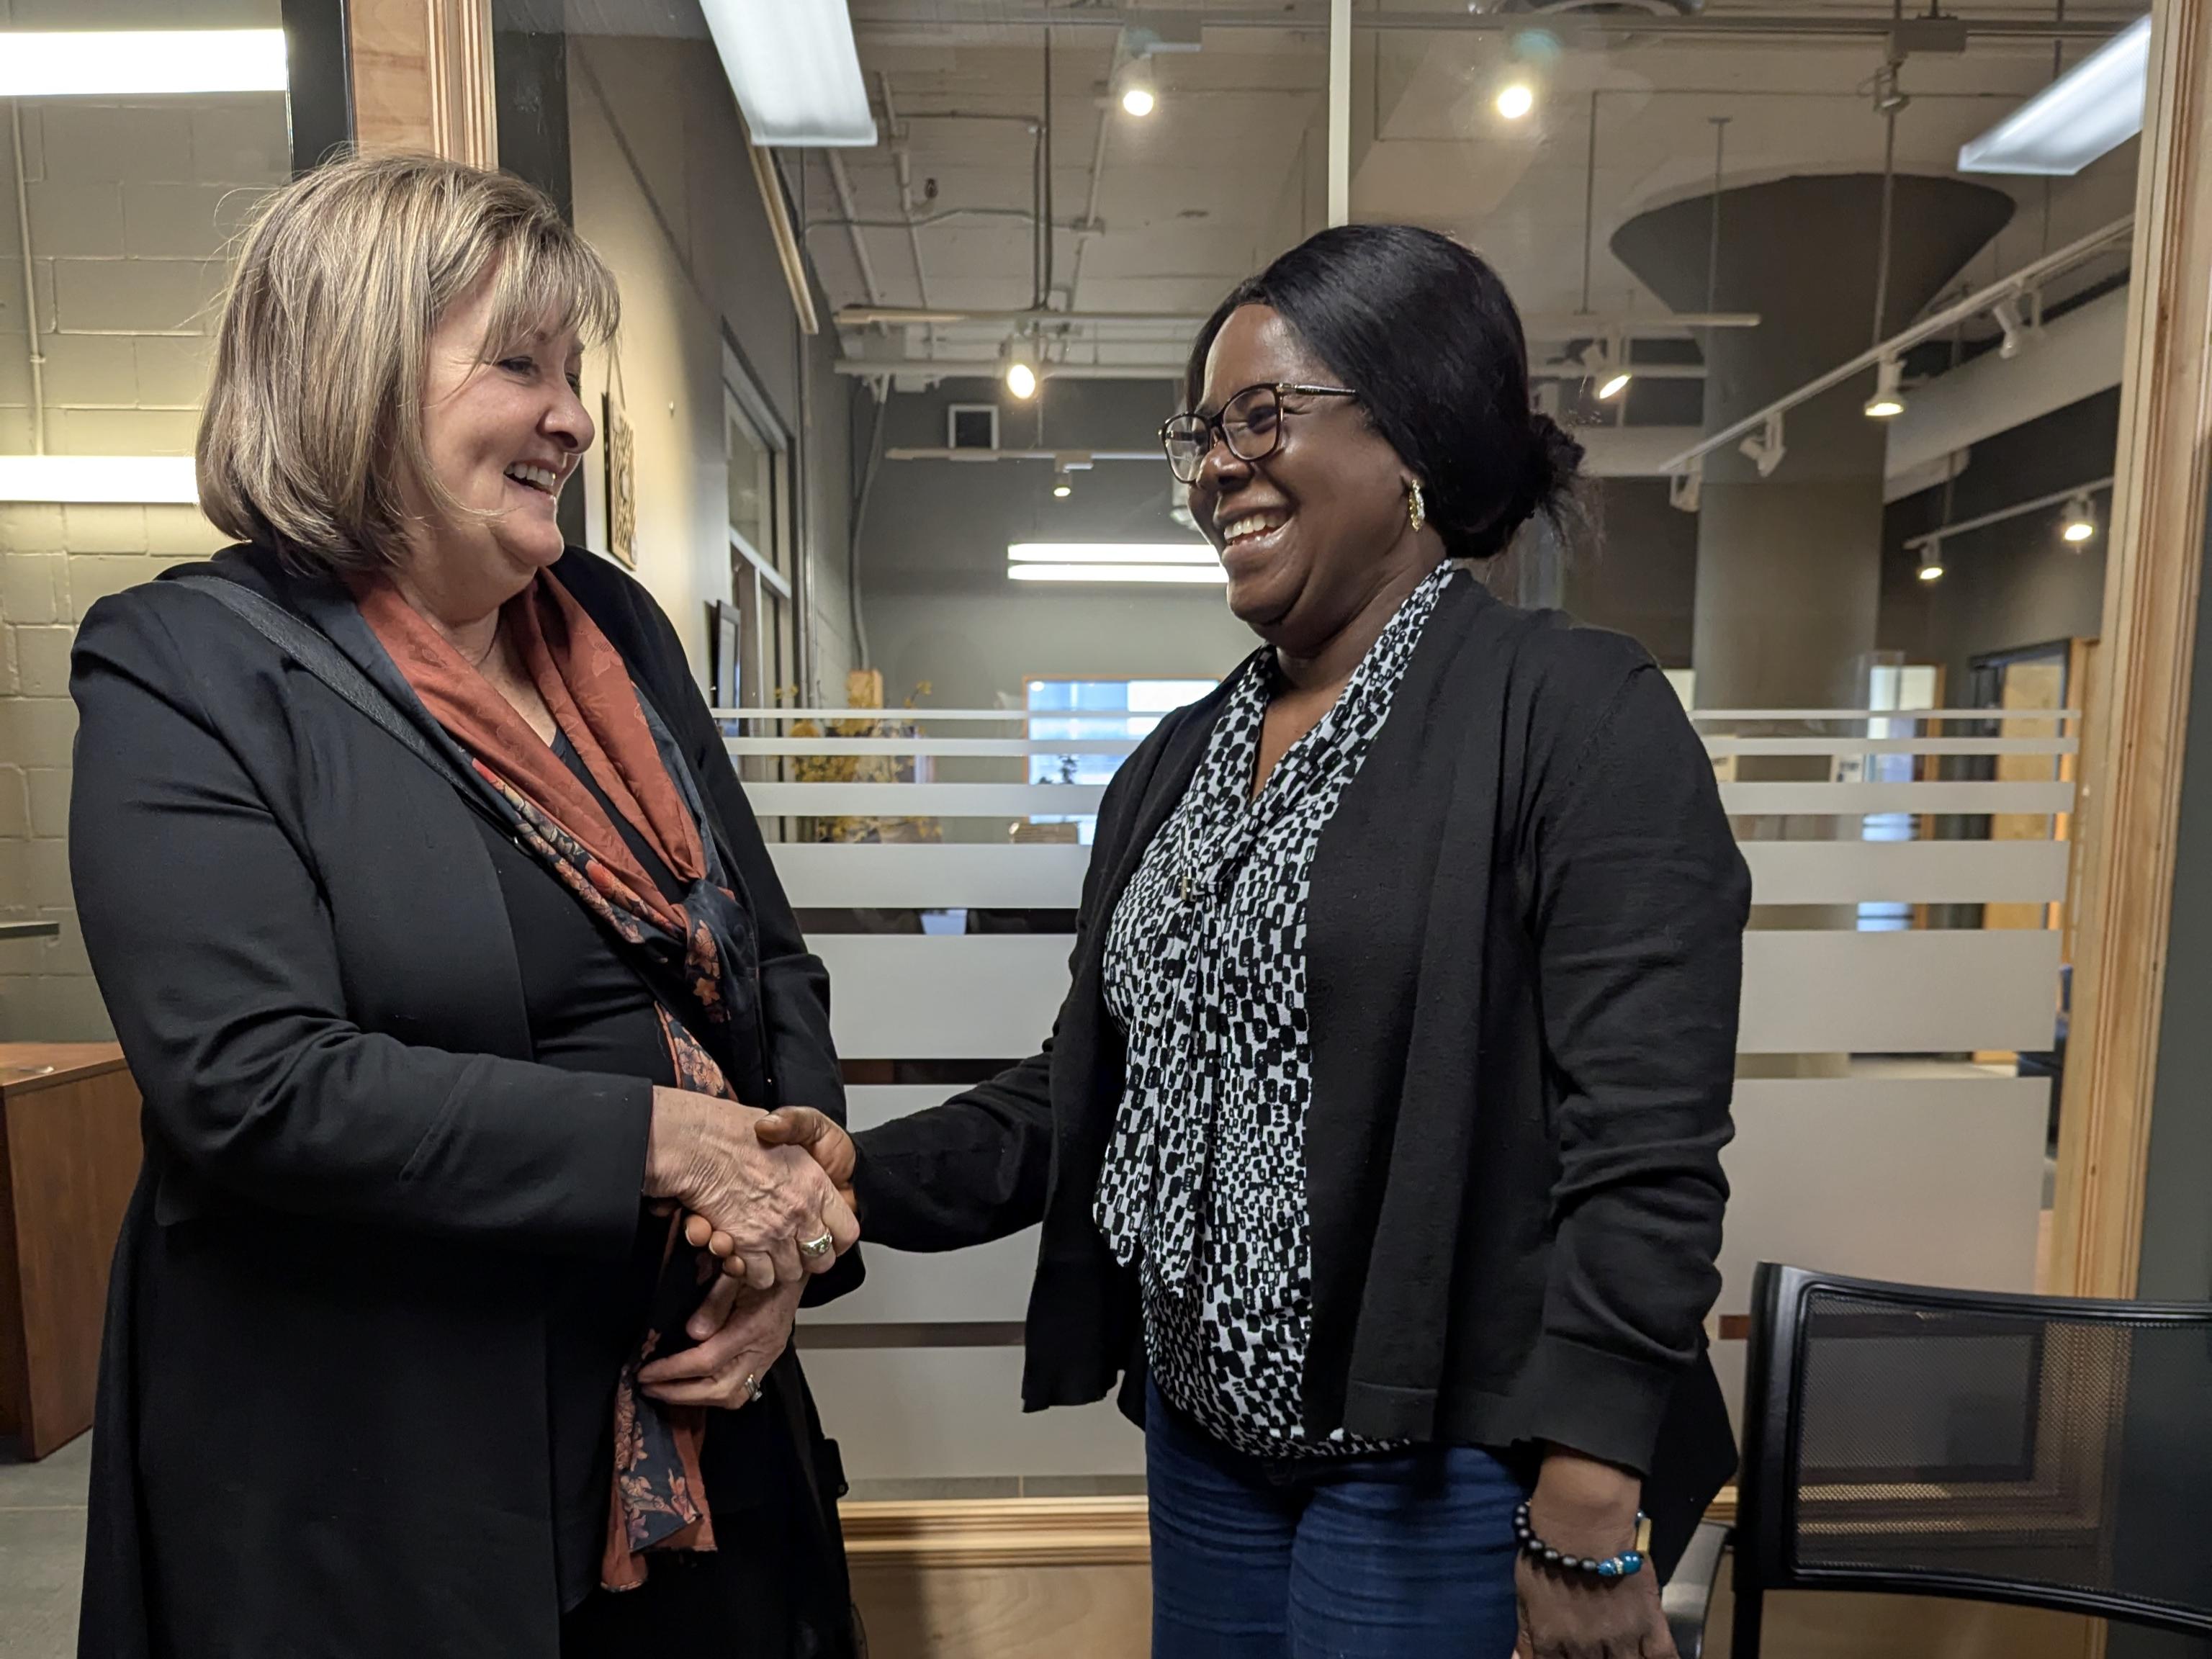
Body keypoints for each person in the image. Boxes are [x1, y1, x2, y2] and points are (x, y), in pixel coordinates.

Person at [757, 224, 1750, 1659]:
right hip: (1206, 1434)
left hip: (1445, 1455)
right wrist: (862, 1169)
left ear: (1412, 435)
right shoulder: (1173, 764)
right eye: (1204, 433)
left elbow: (1645, 1145)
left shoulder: (1572, 713)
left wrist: (1587, 1502)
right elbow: (1087, 1092)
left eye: (1263, 417)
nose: (1218, 465)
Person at [68, 153, 861, 1658]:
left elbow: (768, 966)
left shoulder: (614, 627)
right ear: (354, 375)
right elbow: (249, 1084)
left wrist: (787, 1236)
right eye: (520, 365)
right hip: (381, 1492)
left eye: (576, 370)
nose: (571, 414)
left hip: (694, 1452)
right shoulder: (186, 667)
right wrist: (665, 1144)